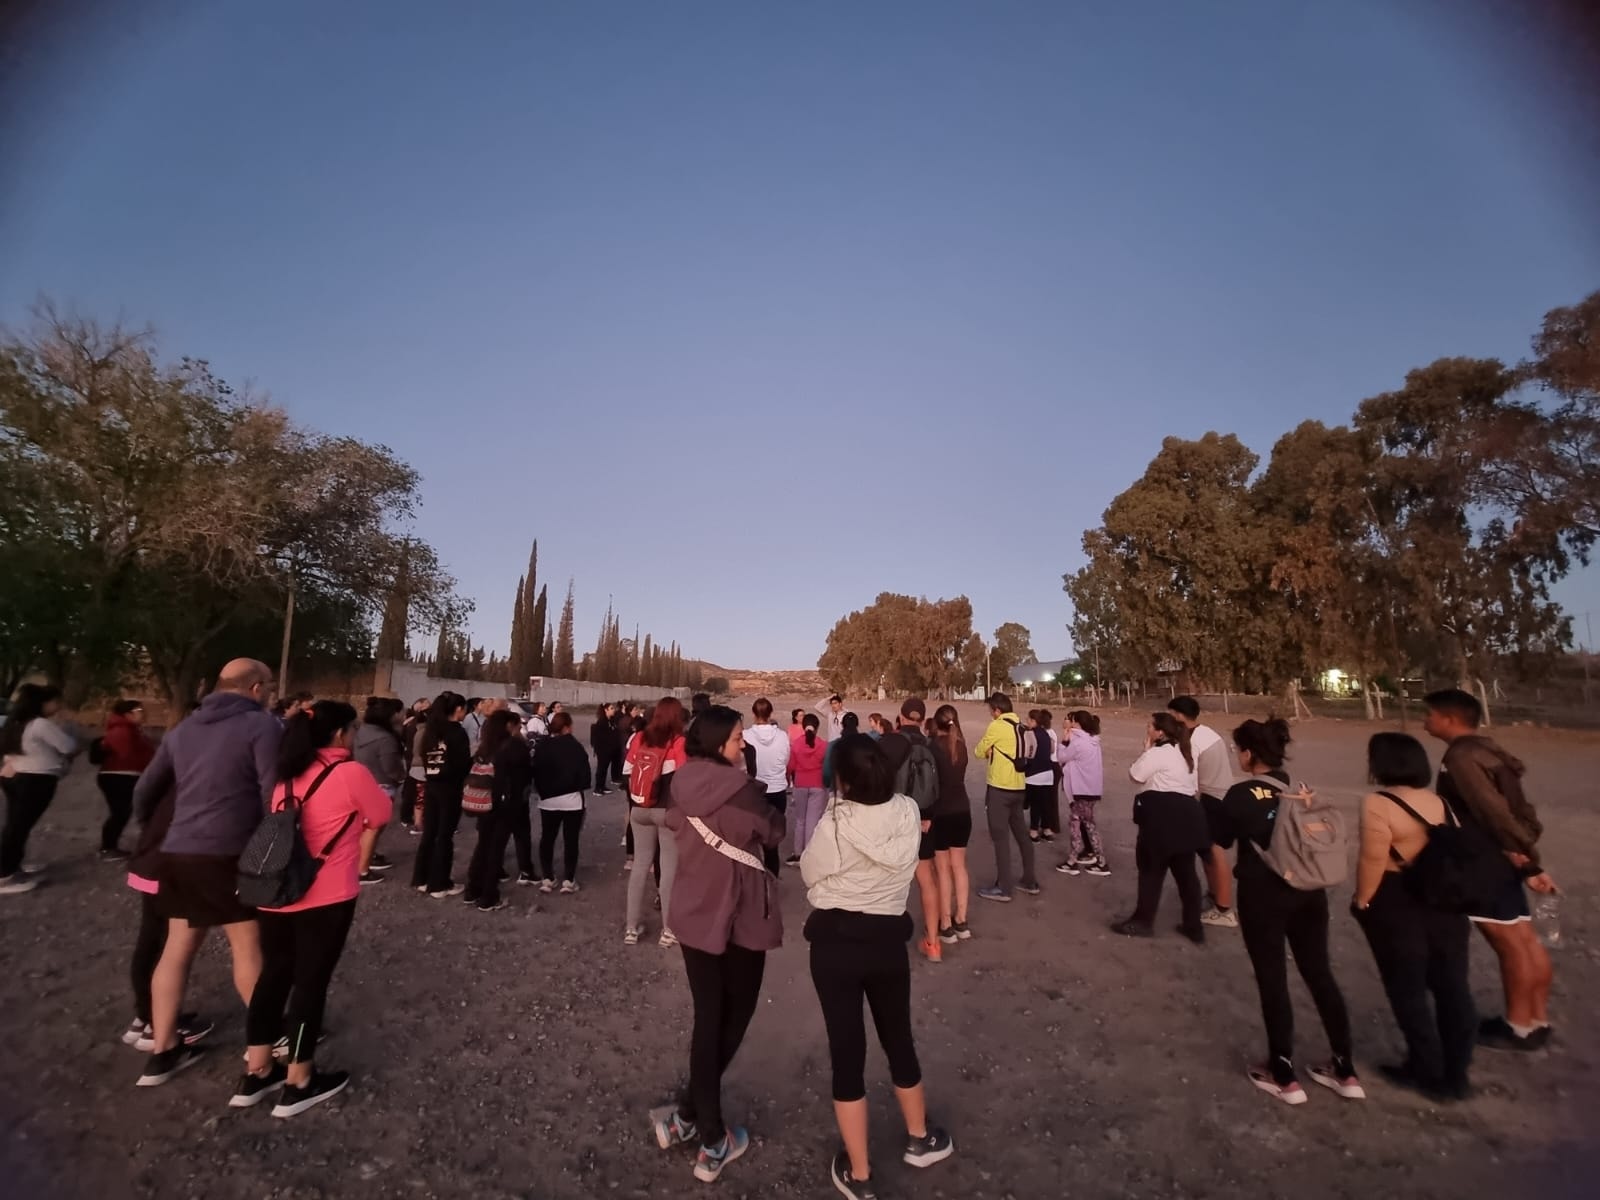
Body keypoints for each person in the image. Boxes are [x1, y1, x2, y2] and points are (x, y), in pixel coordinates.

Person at [800, 734, 955, 1196]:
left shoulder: (836, 823)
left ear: (844, 780)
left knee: (847, 1052)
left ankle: (861, 1174)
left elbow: (810, 872)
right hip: (887, 942)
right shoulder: (907, 811)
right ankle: (919, 1137)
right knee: (898, 1036)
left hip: (835, 946)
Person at [231, 700, 392, 1116]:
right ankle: (299, 1078)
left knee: (273, 977)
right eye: (352, 730)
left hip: (277, 892)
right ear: (339, 734)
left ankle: (257, 1069)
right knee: (310, 983)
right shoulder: (350, 773)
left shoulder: (286, 775)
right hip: (327, 896)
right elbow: (381, 814)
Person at [131, 659, 281, 1085]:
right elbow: (273, 793)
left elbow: (145, 789)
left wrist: (158, 829)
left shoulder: (184, 728)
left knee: (177, 946)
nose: (271, 693)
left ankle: (163, 1049)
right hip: (229, 853)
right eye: (269, 686)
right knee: (247, 947)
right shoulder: (262, 726)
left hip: (178, 851)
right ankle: (267, 1046)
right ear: (256, 688)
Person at [652, 705, 785, 1184]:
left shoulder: (679, 783)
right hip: (739, 917)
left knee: (708, 1016)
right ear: (717, 743)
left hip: (693, 913)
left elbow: (672, 822)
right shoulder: (742, 791)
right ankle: (711, 1138)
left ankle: (689, 1115)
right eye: (735, 738)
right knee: (734, 1015)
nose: (742, 744)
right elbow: (774, 831)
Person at [1212, 718, 1360, 1105]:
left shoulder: (1240, 794)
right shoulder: (1300, 788)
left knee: (1272, 979)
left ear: (1248, 754)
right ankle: (1345, 1069)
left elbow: (1220, 838)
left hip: (1263, 895)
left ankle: (1283, 1074)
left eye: (1239, 750)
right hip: (1310, 892)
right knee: (1320, 974)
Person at [1423, 688, 1556, 1051]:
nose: (1425, 721)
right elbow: (1515, 809)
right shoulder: (1487, 749)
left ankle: (1518, 1027)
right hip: (1502, 858)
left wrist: (1525, 855)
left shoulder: (1461, 758)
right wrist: (1525, 860)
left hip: (1482, 861)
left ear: (1449, 719)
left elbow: (1494, 813)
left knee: (1511, 946)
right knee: (1524, 940)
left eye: (1430, 714)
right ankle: (1537, 1019)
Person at [1353, 732, 1475, 1101]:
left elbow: (1373, 859)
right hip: (1444, 898)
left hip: (1397, 898)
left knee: (1407, 987)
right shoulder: (1440, 802)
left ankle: (1424, 1066)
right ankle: (1456, 1072)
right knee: (1452, 986)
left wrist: (1362, 901)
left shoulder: (1378, 803)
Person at [120, 700, 214, 1055]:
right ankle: (155, 1022)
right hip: (170, 863)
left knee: (152, 939)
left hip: (153, 858)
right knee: (164, 945)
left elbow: (143, 795)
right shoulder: (203, 771)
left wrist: (148, 832)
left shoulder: (177, 761)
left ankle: (145, 1016)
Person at [1112, 712, 1206, 941]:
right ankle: (1193, 925)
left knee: (1151, 871)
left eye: (1150, 726)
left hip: (1162, 817)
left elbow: (1136, 775)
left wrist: (1146, 750)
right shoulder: (1186, 752)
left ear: (1160, 732)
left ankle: (1143, 921)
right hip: (1187, 815)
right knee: (1186, 874)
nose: (1147, 729)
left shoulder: (1158, 753)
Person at [877, 698, 944, 962]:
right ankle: (933, 944)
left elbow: (876, 779)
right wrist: (929, 817)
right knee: (927, 880)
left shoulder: (889, 742)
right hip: (923, 821)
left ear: (902, 717)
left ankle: (886, 942)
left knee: (888, 882)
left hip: (893, 820)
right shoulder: (932, 745)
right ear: (922, 719)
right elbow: (940, 786)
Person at [0, 684, 80, 892]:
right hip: (35, 779)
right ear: (43, 703)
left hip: (15, 776)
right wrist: (65, 726)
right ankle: (5, 874)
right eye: (55, 701)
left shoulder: (16, 723)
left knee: (15, 825)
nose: (58, 706)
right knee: (19, 827)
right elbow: (69, 746)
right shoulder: (39, 724)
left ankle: (12, 866)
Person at [1168, 696, 1239, 930]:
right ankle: (1214, 895)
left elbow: (1189, 775)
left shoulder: (1193, 740)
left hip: (1213, 798)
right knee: (1207, 850)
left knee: (1214, 852)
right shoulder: (1208, 732)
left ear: (1179, 715)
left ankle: (1224, 909)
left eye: (1171, 714)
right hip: (1220, 795)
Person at [624, 697, 687, 945]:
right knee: (668, 869)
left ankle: (631, 928)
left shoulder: (640, 737)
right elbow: (684, 779)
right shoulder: (679, 741)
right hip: (666, 811)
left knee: (640, 866)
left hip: (639, 809)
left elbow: (626, 772)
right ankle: (668, 930)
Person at [972, 693, 1039, 903]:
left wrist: (988, 752)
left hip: (1000, 788)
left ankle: (1004, 887)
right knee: (1022, 835)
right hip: (1019, 787)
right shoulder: (1021, 726)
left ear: (997, 710)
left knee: (1000, 839)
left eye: (991, 711)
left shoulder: (997, 726)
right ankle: (1029, 880)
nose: (990, 714)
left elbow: (978, 751)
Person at [464, 710, 533, 911]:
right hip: (505, 805)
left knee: (483, 845)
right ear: (509, 726)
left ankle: (472, 889)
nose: (519, 728)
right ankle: (489, 896)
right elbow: (525, 775)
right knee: (496, 849)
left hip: (484, 801)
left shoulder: (485, 747)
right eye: (517, 725)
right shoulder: (514, 747)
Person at [410, 692, 471, 899]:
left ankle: (421, 878)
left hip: (432, 784)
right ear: (458, 709)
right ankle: (439, 884)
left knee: (430, 833)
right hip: (450, 787)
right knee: (445, 835)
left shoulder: (431, 730)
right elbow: (463, 763)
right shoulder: (457, 732)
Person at [928, 705, 973, 942]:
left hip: (941, 811)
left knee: (942, 869)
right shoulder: (961, 745)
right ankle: (961, 919)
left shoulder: (933, 747)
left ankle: (945, 922)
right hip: (962, 810)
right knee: (959, 866)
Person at [532, 711, 590, 894]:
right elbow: (585, 776)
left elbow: (535, 771)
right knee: (571, 840)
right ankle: (569, 879)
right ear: (567, 727)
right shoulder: (575, 747)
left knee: (547, 838)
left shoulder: (542, 746)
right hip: (572, 800)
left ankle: (547, 877)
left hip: (548, 801)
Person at [350, 697, 404, 884]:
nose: (400, 715)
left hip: (363, 782)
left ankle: (367, 856)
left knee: (366, 827)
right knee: (374, 828)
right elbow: (390, 767)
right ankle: (363, 870)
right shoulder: (385, 738)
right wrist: (401, 776)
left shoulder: (361, 731)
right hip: (382, 785)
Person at [97, 699, 155, 862]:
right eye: (140, 711)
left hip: (124, 775)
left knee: (122, 812)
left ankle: (109, 847)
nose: (144, 714)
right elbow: (127, 755)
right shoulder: (122, 731)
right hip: (119, 776)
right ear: (128, 714)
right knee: (120, 813)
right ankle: (107, 848)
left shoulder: (131, 730)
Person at [1053, 711, 1108, 877]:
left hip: (1080, 789)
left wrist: (1064, 741)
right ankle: (1095, 859)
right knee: (1088, 824)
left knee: (1077, 825)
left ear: (1077, 723)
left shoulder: (1078, 742)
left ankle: (1075, 860)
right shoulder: (1093, 740)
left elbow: (1061, 756)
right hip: (1091, 789)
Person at [743, 698, 791, 875]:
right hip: (777, 790)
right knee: (772, 842)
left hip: (755, 790)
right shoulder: (782, 736)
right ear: (771, 713)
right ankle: (772, 880)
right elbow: (785, 760)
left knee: (751, 840)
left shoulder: (745, 735)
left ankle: (754, 879)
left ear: (753, 713)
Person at [786, 713, 828, 867]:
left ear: (803, 727)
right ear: (817, 727)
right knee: (812, 821)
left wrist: (788, 779)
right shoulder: (823, 745)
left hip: (800, 783)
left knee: (800, 821)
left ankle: (798, 853)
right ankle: (810, 854)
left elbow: (791, 766)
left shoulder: (797, 744)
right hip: (817, 784)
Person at [1023, 710, 1061, 842]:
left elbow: (1028, 753)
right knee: (1046, 803)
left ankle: (1034, 831)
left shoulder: (1030, 734)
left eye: (1028, 719)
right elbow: (1052, 749)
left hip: (1034, 774)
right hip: (1048, 773)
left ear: (1034, 721)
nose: (1027, 721)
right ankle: (1046, 829)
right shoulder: (1046, 733)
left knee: (1035, 804)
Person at [399, 698, 430, 831]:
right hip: (417, 761)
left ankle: (409, 818)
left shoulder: (411, 724)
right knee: (417, 792)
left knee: (413, 790)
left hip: (412, 759)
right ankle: (415, 821)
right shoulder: (421, 729)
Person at [822, 713, 861, 793]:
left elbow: (826, 771)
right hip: (860, 788)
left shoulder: (833, 745)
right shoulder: (865, 743)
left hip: (839, 787)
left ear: (842, 725)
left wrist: (828, 783)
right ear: (857, 724)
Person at [590, 703, 622, 796]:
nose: (613, 710)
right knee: (601, 769)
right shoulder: (601, 722)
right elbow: (600, 738)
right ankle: (597, 788)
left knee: (604, 769)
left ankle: (602, 786)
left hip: (610, 749)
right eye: (611, 708)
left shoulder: (611, 720)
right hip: (603, 750)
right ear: (606, 710)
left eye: (613, 708)